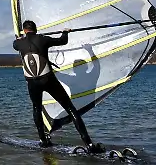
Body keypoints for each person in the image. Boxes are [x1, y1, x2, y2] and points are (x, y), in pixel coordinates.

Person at [12, 19, 101, 152]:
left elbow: (15, 44)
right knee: (70, 109)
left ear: (25, 31)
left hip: (32, 83)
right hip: (48, 80)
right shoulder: (43, 39)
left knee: (36, 108)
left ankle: (43, 141)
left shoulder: (18, 43)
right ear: (36, 29)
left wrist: (19, 38)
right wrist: (65, 32)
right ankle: (89, 144)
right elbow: (62, 41)